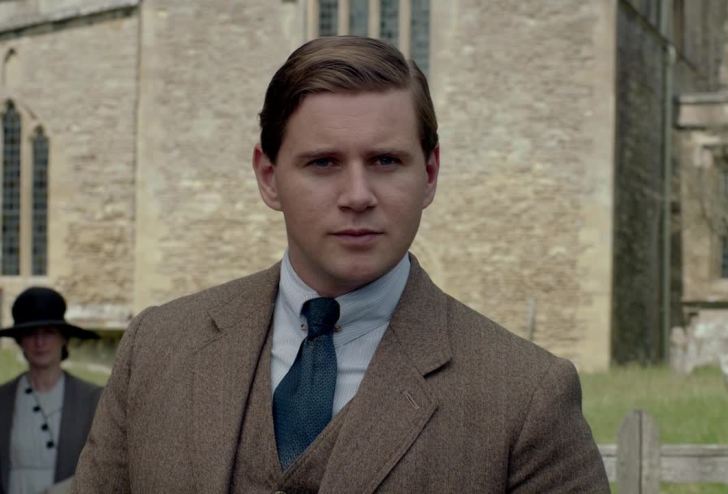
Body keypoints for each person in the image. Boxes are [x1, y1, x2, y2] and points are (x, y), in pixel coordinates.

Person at [73, 36, 609, 492]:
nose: (357, 195)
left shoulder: (527, 396)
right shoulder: (157, 349)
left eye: (385, 161)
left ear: (429, 173)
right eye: (324, 162)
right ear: (268, 177)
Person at [0, 287, 103, 494]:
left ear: (64, 338)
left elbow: (107, 463)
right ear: (20, 341)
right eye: (31, 334)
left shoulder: (93, 399)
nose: (40, 342)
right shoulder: (2, 399)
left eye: (49, 332)